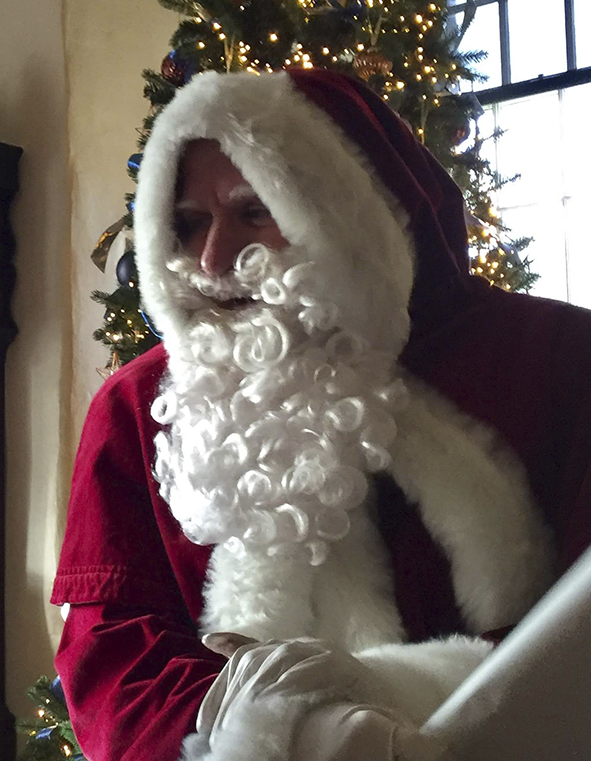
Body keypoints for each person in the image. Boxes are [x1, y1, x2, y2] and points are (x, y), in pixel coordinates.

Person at [53, 68, 591, 760]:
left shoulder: (552, 359)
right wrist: (282, 730)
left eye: (255, 211)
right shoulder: (134, 409)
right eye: (188, 225)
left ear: (346, 208)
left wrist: (411, 705)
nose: (216, 259)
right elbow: (115, 655)